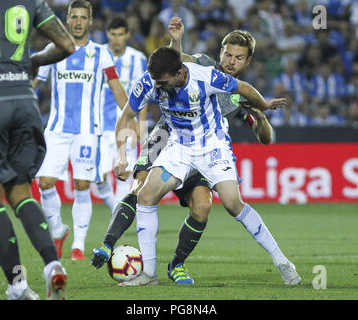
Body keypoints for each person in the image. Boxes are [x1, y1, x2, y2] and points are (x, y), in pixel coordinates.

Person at [91, 20, 276, 284]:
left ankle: (176, 264)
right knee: (140, 186)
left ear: (247, 62)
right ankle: (108, 244)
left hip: (202, 147)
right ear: (221, 50)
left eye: (239, 58)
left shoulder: (238, 96)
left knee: (202, 205)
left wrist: (261, 116)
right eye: (228, 54)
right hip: (166, 134)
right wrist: (176, 39)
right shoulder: (203, 64)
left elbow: (264, 138)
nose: (231, 61)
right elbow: (172, 62)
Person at [0, 0, 75, 300]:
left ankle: (18, 285)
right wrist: (35, 60)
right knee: (20, 193)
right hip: (25, 105)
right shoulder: (32, 1)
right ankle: (52, 265)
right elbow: (66, 45)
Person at [33, 0, 128, 261]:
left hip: (88, 130)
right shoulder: (52, 50)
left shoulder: (101, 53)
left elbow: (117, 88)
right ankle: (57, 230)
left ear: (90, 21)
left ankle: (78, 244)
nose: (77, 22)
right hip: (56, 129)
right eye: (73, 17)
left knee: (82, 185)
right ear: (66, 19)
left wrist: (134, 116)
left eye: (82, 17)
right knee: (45, 183)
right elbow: (35, 83)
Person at [95, 17, 148, 213]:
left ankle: (120, 216)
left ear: (127, 34)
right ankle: (116, 210)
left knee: (125, 173)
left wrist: (141, 123)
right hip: (98, 124)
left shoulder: (138, 58)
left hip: (127, 123)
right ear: (107, 34)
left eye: (120, 34)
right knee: (97, 176)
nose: (116, 38)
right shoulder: (97, 55)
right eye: (113, 34)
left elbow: (144, 93)